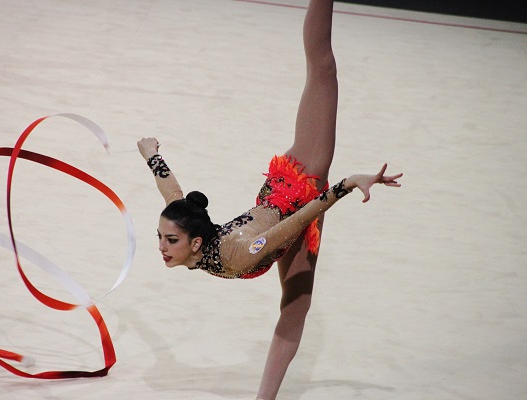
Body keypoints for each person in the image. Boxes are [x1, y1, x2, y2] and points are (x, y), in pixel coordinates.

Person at [137, 0, 402, 398]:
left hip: (303, 183)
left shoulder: (239, 252)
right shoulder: (195, 239)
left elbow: (296, 224)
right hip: (282, 212)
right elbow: (173, 196)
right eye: (161, 237)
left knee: (323, 69)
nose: (160, 247)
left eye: (168, 240)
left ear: (193, 242)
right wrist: (153, 156)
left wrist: (345, 184)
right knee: (296, 310)